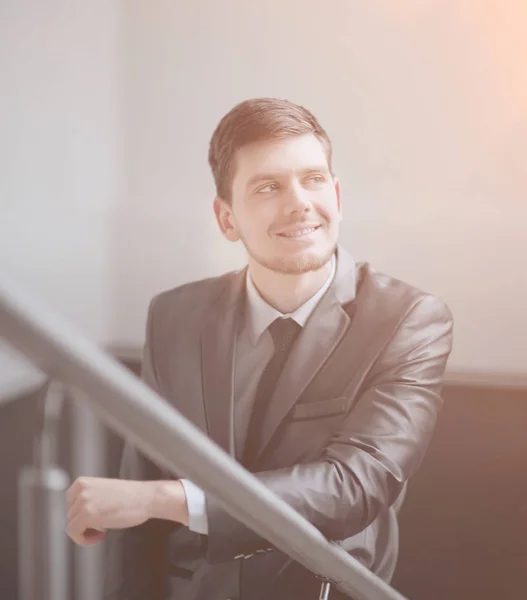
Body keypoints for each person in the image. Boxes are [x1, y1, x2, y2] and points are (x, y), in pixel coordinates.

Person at [66, 97, 454, 599]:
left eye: (313, 179)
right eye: (268, 186)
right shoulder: (173, 316)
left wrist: (167, 498)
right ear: (226, 219)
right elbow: (139, 509)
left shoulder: (409, 319)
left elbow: (355, 487)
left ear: (337, 195)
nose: (299, 203)